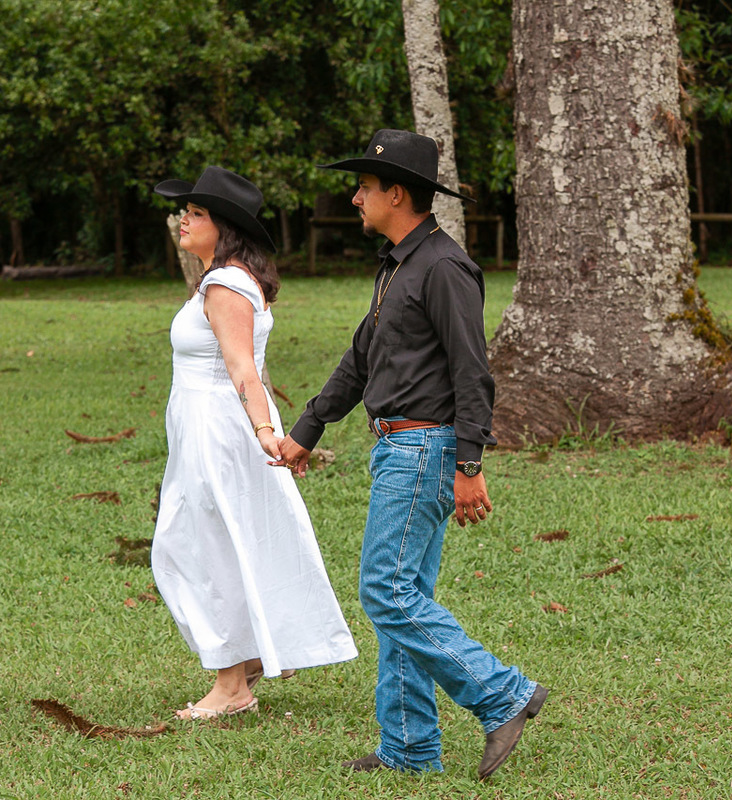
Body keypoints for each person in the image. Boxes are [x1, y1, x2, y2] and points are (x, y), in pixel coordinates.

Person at [274, 130, 548, 780]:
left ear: (397, 194)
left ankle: (504, 694)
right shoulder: (398, 265)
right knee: (405, 592)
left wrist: (469, 465)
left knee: (386, 590)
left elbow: (472, 372)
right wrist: (308, 428)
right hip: (399, 445)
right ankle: (409, 746)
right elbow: (361, 358)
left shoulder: (445, 267)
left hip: (426, 447)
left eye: (364, 187)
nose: (355, 197)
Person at [151, 166, 358, 721]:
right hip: (208, 426)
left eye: (196, 213)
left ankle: (231, 685)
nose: (184, 220)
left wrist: (267, 433)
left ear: (224, 227)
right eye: (186, 211)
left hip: (217, 429)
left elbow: (244, 369)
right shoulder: (230, 279)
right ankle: (249, 660)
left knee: (201, 548)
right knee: (214, 541)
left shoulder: (225, 285)